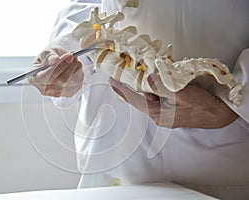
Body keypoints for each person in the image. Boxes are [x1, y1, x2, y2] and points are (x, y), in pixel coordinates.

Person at [29, 0, 249, 199]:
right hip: (114, 153)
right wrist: (67, 51)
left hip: (219, 160)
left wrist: (229, 108)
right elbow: (92, 5)